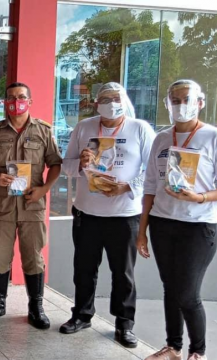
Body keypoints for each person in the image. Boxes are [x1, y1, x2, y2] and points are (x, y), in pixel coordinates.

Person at [59, 82, 156, 349]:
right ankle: (82, 315)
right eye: (105, 98)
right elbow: (65, 166)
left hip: (125, 215)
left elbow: (154, 170)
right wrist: (80, 163)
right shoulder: (84, 127)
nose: (111, 103)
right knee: (84, 269)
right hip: (87, 213)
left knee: (123, 273)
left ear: (124, 100)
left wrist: (127, 186)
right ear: (96, 103)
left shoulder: (140, 129)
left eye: (116, 98)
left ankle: (124, 324)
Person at [139, 80, 217, 360]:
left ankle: (198, 352)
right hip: (162, 224)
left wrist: (200, 197)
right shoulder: (162, 139)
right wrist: (141, 231)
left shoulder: (215, 138)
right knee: (170, 289)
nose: (180, 105)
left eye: (186, 99)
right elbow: (151, 186)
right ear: (167, 104)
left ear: (200, 102)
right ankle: (173, 347)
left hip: (198, 227)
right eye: (174, 100)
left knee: (188, 293)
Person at [0, 82, 62, 329]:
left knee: (33, 257)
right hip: (3, 204)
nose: (16, 101)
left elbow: (55, 163)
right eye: (11, 98)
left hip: (31, 204)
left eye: (21, 97)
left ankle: (36, 306)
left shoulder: (43, 130)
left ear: (30, 101)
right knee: (0, 255)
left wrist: (44, 189)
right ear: (5, 102)